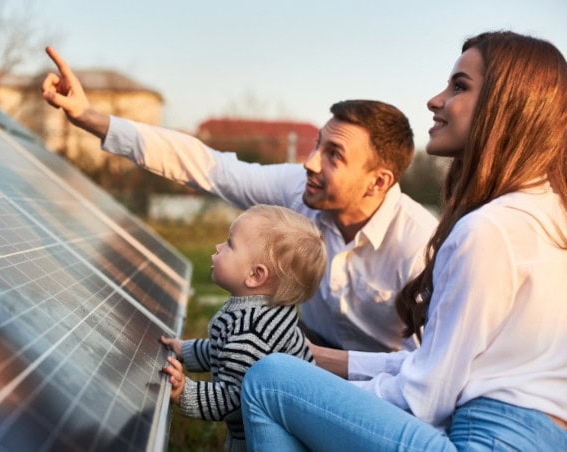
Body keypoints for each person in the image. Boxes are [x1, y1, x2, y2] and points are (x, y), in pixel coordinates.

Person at [240, 30, 567, 451]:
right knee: (289, 375)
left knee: (268, 382)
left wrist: (313, 395)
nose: (435, 100)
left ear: (507, 108)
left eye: (459, 86)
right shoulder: (550, 215)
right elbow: (438, 363)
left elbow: (425, 397)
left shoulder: (489, 230)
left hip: (483, 441)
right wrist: (317, 361)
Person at [41, 47, 438, 353]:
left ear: (377, 182)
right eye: (318, 144)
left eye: (334, 155)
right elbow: (207, 166)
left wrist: (313, 363)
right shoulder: (300, 189)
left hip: (382, 384)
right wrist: (89, 117)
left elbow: (423, 371)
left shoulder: (420, 245)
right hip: (308, 345)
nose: (310, 162)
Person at [159, 204, 327, 451]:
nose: (218, 247)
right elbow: (226, 352)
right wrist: (187, 350)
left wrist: (185, 392)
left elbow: (235, 399)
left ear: (255, 276)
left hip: (264, 435)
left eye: (229, 244)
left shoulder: (251, 332)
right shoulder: (261, 310)